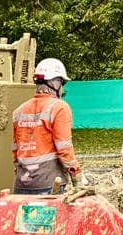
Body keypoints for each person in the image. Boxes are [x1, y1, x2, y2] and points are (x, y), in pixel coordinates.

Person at [12, 57, 83, 195]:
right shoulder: (59, 107)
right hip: (48, 185)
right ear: (55, 83)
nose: (62, 89)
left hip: (22, 184)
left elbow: (15, 152)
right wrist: (76, 175)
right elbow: (64, 148)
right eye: (62, 83)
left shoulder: (18, 111)